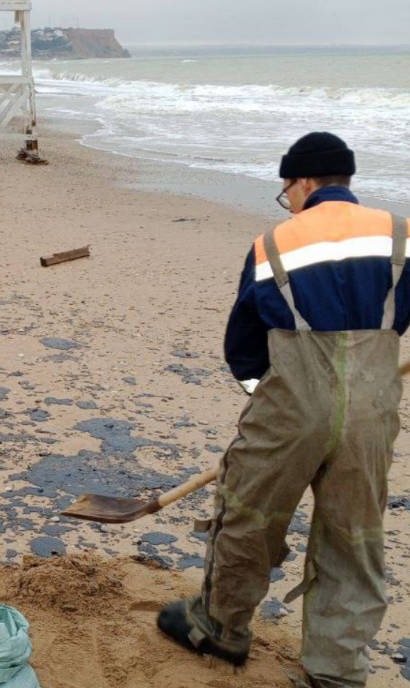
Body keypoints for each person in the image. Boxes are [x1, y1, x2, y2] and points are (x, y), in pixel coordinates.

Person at [156, 132, 410, 687]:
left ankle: (221, 628)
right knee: (354, 535)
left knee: (249, 516)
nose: (287, 200)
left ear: (302, 182)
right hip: (373, 407)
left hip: (289, 408)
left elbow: (243, 345)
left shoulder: (274, 244)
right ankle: (337, 673)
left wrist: (263, 395)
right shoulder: (398, 233)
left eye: (286, 190)